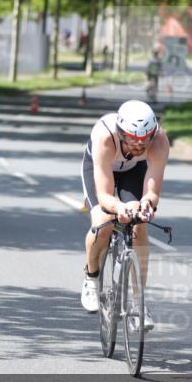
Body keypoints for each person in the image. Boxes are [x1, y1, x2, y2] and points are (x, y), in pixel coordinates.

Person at [79, 100, 169, 330]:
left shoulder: (159, 142)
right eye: (131, 140)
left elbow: (153, 191)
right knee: (104, 221)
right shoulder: (105, 138)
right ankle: (91, 277)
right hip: (100, 168)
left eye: (143, 142)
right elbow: (104, 196)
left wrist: (146, 205)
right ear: (121, 133)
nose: (138, 147)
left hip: (132, 171)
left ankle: (139, 304)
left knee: (139, 226)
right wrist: (119, 208)